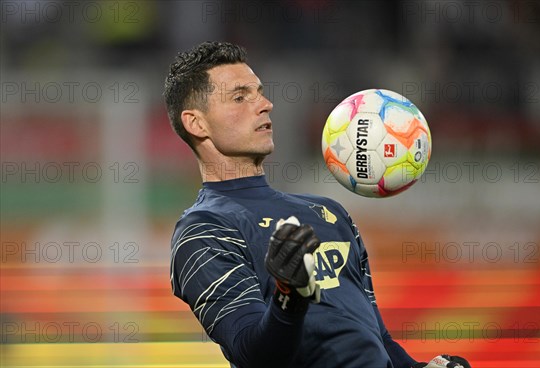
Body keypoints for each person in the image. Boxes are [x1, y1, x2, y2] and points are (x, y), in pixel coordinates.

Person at [164, 41, 471, 368]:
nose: (265, 104)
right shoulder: (204, 231)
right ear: (196, 124)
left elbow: (376, 339)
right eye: (240, 97)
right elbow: (252, 353)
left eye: (260, 93)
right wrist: (289, 295)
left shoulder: (329, 212)